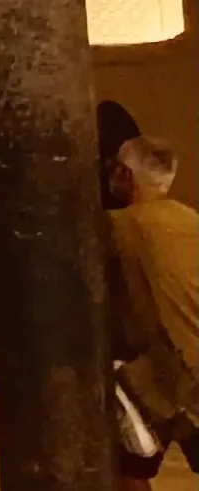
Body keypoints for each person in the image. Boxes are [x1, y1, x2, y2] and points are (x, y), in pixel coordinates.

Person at [110, 137, 198, 485]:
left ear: (124, 175)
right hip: (185, 359)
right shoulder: (190, 219)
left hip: (175, 369)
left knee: (126, 462)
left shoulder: (120, 225)